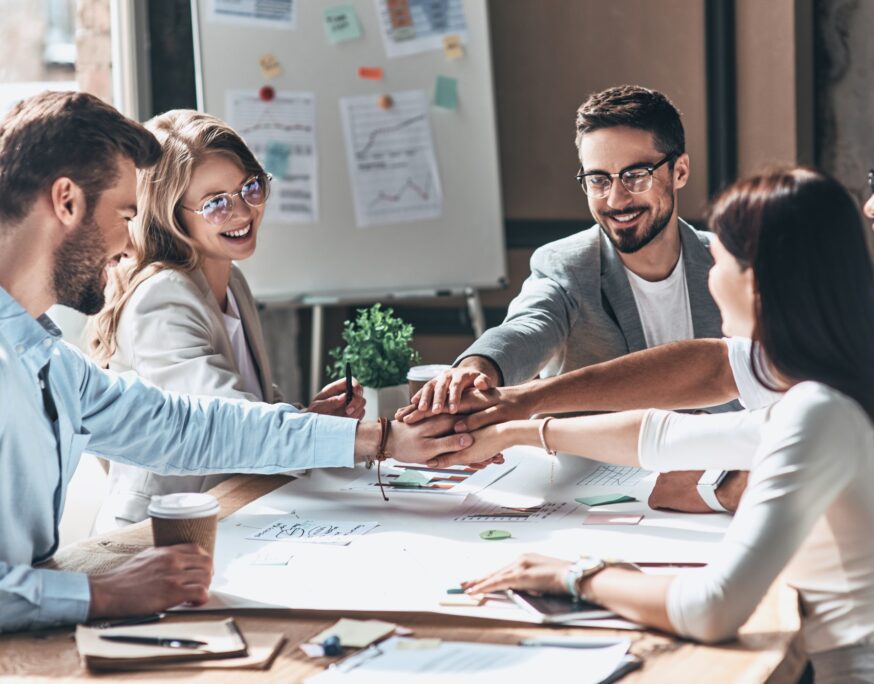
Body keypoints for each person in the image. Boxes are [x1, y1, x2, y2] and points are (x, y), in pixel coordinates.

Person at [410, 91, 874, 683]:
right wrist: (520, 419)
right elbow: (697, 408)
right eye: (598, 178)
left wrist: (582, 572)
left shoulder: (835, 404)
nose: (707, 273)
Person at [0, 91, 473, 633]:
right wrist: (97, 593)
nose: (131, 244)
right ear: (66, 202)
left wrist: (376, 439)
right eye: (125, 214)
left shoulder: (51, 362)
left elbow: (185, 425)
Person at [87, 110, 365, 531]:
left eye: (249, 188)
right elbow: (224, 428)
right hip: (158, 536)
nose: (242, 211)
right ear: (171, 216)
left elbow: (243, 409)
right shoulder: (161, 299)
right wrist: (359, 439)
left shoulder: (230, 280)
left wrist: (307, 416)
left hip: (229, 512)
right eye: (216, 203)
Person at [408, 85, 729, 415]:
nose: (616, 200)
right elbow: (525, 327)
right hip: (604, 465)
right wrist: (476, 368)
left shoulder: (729, 264)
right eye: (598, 180)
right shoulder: (567, 267)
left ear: (680, 171)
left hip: (725, 461)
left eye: (635, 176)